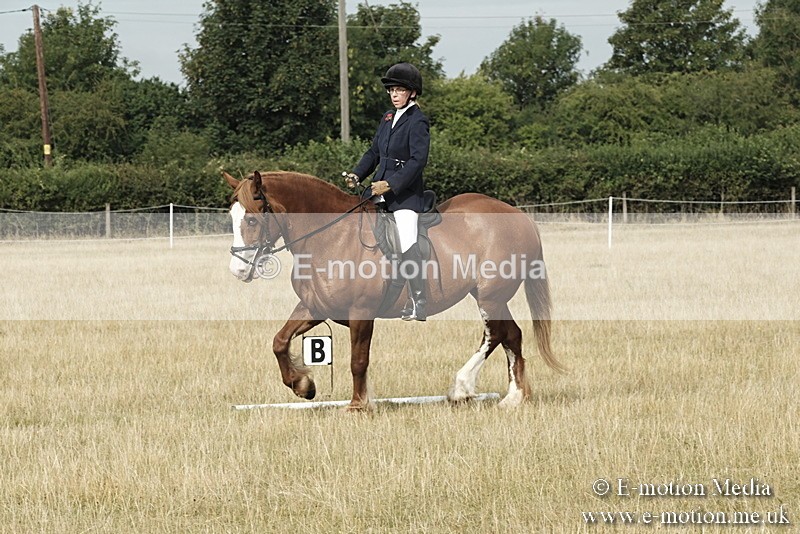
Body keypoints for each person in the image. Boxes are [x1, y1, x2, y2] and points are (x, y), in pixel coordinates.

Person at [345, 62, 430, 321]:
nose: (394, 95)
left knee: (406, 240)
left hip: (405, 196)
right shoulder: (387, 118)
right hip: (377, 190)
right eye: (391, 90)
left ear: (412, 93)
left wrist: (392, 184)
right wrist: (357, 174)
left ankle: (419, 301)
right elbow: (374, 153)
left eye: (399, 90)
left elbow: (418, 161)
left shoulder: (418, 121)